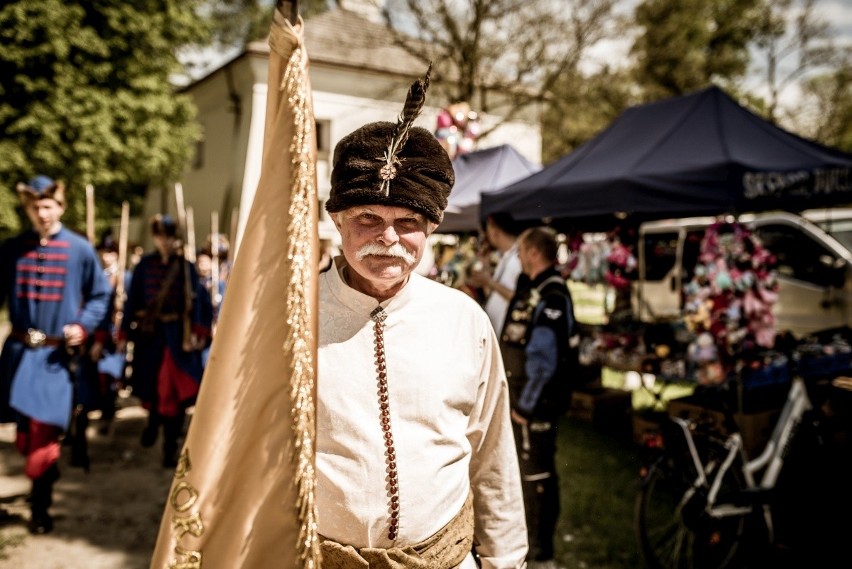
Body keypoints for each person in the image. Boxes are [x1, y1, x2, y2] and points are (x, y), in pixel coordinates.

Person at [312, 70, 527, 566]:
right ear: (337, 220)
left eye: (407, 223)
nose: (388, 237)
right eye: (368, 217)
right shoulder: (291, 319)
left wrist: (505, 560)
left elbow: (493, 456)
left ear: (430, 228)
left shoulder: (463, 320)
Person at [0, 175, 110, 534]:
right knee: (23, 436)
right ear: (28, 209)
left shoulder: (79, 249)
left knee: (44, 436)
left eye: (47, 206)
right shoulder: (14, 248)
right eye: (35, 206)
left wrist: (82, 326)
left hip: (54, 359)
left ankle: (41, 507)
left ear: (60, 207)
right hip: (18, 354)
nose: (41, 213)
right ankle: (44, 478)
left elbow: (99, 295)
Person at [499, 226, 579, 568]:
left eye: (521, 251)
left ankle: (541, 555)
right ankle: (530, 549)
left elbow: (543, 360)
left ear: (534, 253)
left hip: (534, 408)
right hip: (523, 403)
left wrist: (525, 407)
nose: (517, 257)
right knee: (526, 477)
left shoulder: (553, 294)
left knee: (536, 480)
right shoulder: (533, 288)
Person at [118, 214, 211, 468]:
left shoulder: (186, 267)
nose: (165, 241)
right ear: (155, 237)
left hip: (178, 339)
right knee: (153, 389)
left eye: (169, 236)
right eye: (160, 236)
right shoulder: (145, 266)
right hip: (151, 338)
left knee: (177, 392)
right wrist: (124, 333)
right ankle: (153, 423)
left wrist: (198, 333)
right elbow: (132, 301)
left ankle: (169, 448)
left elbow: (201, 304)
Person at [469, 212, 524, 333]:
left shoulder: (518, 258)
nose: (487, 236)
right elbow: (492, 294)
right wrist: (485, 267)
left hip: (506, 333)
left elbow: (516, 298)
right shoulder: (506, 257)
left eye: (488, 231)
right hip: (497, 330)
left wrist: (488, 281)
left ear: (495, 231)